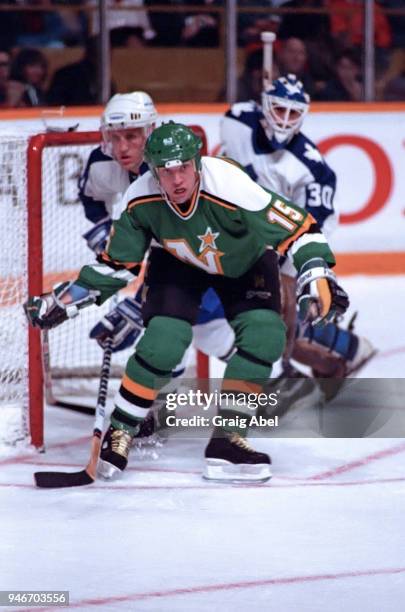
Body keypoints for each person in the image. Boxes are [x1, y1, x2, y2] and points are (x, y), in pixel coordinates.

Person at [24, 122, 349, 483]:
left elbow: (298, 229)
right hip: (177, 265)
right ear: (153, 170)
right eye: (166, 171)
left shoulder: (230, 184)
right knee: (164, 342)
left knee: (265, 337)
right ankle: (121, 429)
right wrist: (66, 299)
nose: (177, 180)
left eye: (183, 168)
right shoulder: (138, 199)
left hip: (245, 262)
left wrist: (317, 271)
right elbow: (117, 265)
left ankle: (228, 441)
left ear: (197, 162)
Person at [220, 74, 375, 390]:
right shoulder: (236, 121)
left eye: (294, 114)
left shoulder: (311, 168)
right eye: (278, 109)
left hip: (294, 234)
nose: (285, 119)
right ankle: (341, 352)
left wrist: (281, 259)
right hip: (240, 229)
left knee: (278, 296)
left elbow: (312, 225)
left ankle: (284, 367)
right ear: (265, 105)